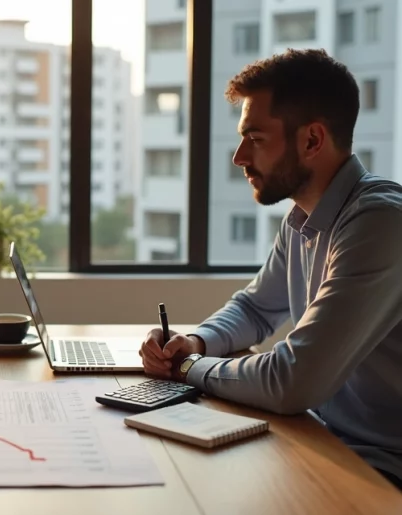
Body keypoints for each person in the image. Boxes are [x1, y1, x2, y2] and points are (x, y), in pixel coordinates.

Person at [140, 48, 402, 491]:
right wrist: (196, 340)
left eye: (256, 138)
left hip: (383, 467)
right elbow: (256, 309)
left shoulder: (380, 223)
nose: (239, 157)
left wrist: (189, 367)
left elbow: (292, 381)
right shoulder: (303, 219)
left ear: (312, 140)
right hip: (325, 439)